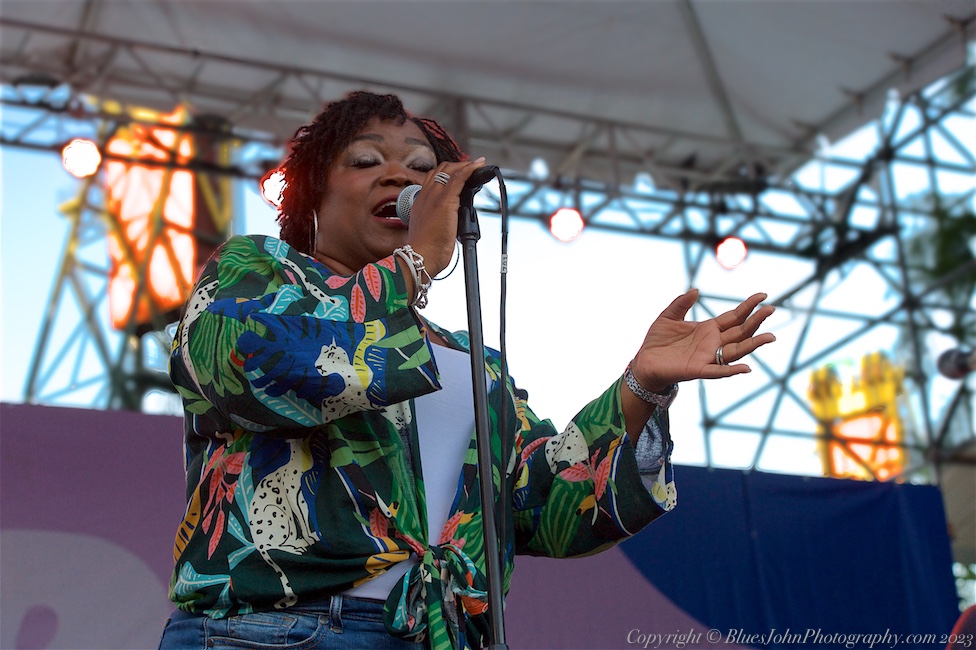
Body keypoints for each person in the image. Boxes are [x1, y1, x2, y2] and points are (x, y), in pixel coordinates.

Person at [158, 91, 776, 650]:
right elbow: (250, 363)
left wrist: (643, 385)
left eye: (425, 170)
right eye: (366, 161)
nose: (401, 176)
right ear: (311, 194)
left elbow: (549, 507)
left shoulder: (471, 360)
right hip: (276, 630)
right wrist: (412, 262)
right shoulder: (256, 270)